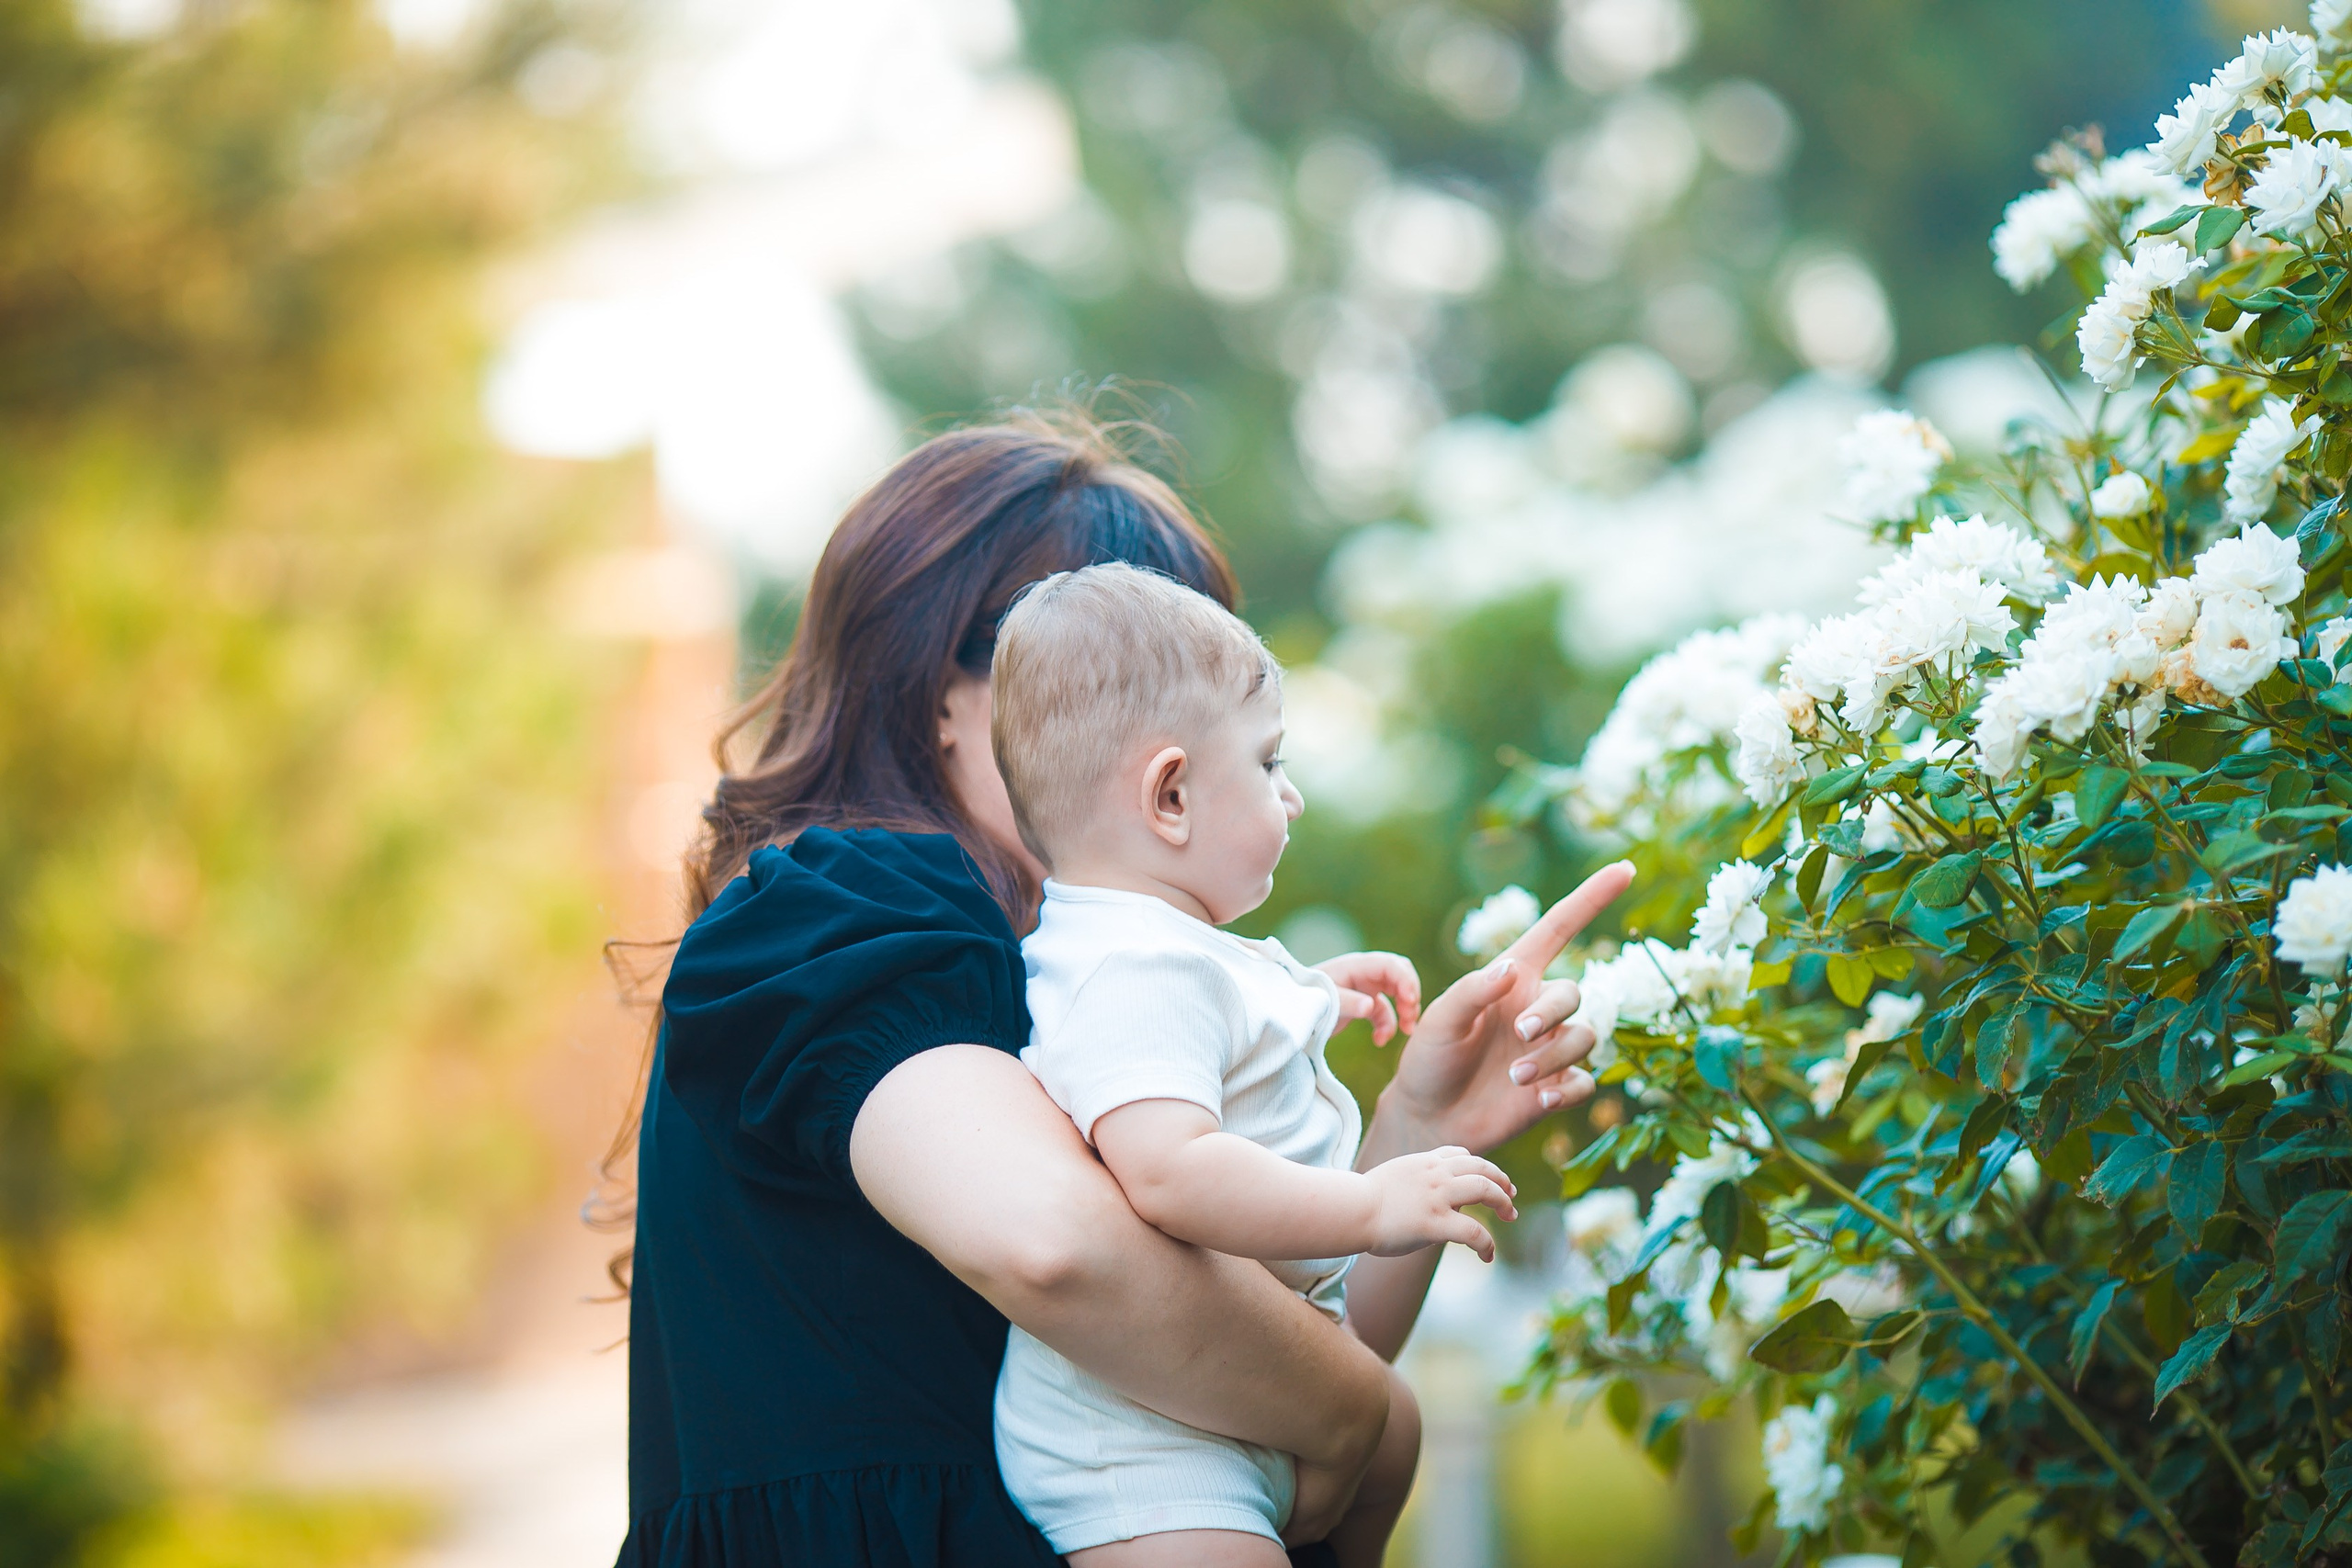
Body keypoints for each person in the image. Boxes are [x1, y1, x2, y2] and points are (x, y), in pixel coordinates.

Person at [613, 412, 1630, 1568]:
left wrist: (1419, 1127)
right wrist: (1364, 1421)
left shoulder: (1081, 967)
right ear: (946, 695)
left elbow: (1277, 1346)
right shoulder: (850, 905)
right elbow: (1059, 1245)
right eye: (1090, 664)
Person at [989, 564, 1546, 1568]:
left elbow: (1200, 1034)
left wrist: (1303, 999)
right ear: (1169, 797)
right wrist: (1371, 1207)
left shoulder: (1158, 950)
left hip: (1227, 1400)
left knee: (1397, 1426)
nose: (1289, 793)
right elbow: (1171, 1169)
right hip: (1154, 1449)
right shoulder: (1132, 968)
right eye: (1268, 761)